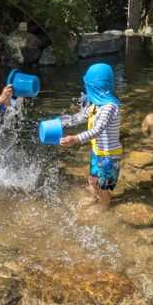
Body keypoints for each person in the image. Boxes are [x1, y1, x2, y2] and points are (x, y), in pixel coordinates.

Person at [59, 63, 122, 208]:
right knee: (92, 180)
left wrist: (75, 139)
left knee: (103, 188)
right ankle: (94, 200)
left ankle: (103, 210)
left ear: (95, 87)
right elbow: (80, 117)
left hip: (110, 155)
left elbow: (97, 130)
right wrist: (64, 122)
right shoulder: (96, 105)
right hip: (98, 152)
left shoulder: (110, 107)